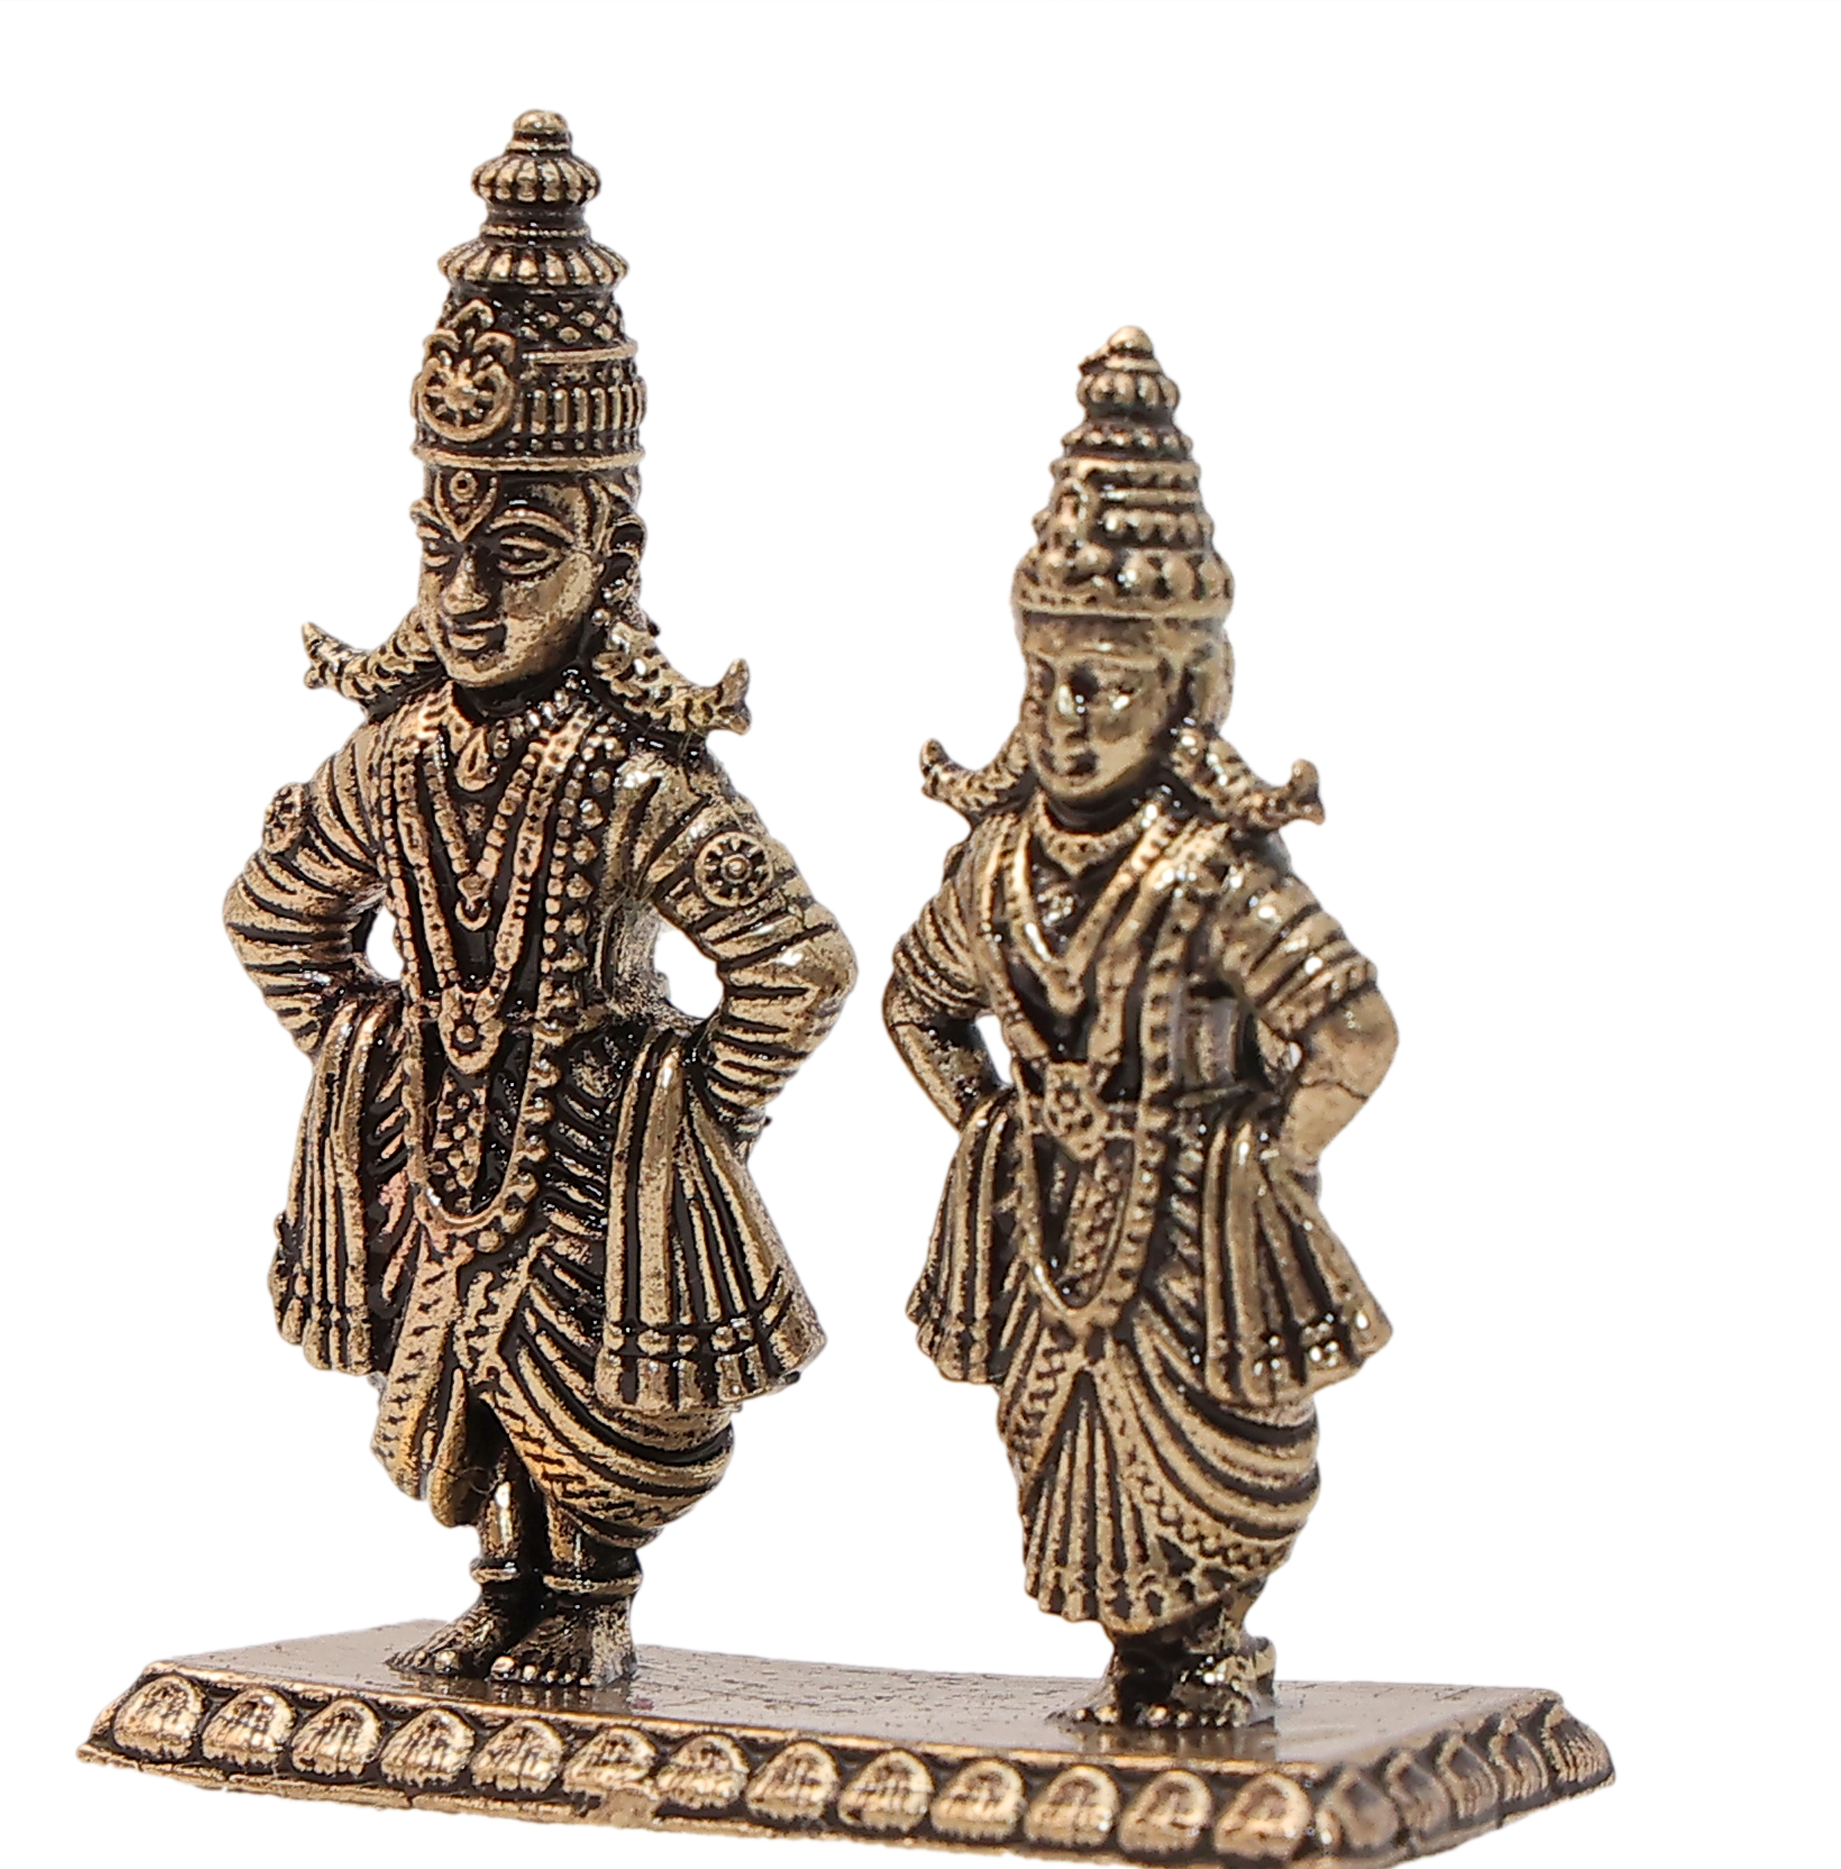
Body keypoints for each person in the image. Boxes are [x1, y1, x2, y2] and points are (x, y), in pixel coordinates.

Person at [225, 114, 853, 1689]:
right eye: (439, 546)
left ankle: (584, 1592)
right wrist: (372, 1053)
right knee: (466, 1363)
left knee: (584, 1374)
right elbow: (273, 914)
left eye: (515, 552)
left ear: (610, 554)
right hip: (443, 1148)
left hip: (593, 1160)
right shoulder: (390, 758)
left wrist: (680, 1116)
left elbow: (795, 963)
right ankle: (506, 1581)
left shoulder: (636, 777)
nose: (465, 594)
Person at [885, 329, 1395, 1727]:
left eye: (1104, 684)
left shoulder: (1213, 874)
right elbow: (915, 1002)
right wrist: (992, 1124)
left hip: (1196, 1229)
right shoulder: (995, 865)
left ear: (1186, 690)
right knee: (1060, 1443)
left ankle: (1206, 1648)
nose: (1067, 715)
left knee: (1225, 1446)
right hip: (1050, 1220)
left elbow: (1352, 1030)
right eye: (1047, 678)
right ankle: (1137, 1661)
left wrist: (1268, 1156)